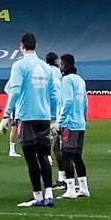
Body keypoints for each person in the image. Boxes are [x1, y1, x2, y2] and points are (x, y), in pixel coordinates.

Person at [5, 33, 60, 208]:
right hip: (44, 117)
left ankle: (37, 196)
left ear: (22, 46)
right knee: (44, 155)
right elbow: (53, 95)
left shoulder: (19, 66)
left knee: (31, 158)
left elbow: (14, 90)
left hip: (27, 116)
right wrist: (53, 118)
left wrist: (7, 114)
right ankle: (49, 194)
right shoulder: (46, 67)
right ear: (36, 45)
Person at [57, 53, 89, 199]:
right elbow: (85, 103)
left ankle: (70, 189)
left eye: (61, 64)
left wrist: (60, 121)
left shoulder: (67, 80)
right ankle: (83, 188)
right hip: (80, 123)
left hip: (70, 123)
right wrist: (83, 118)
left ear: (65, 65)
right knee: (77, 156)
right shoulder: (80, 80)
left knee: (66, 155)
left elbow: (68, 101)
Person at [45, 52, 65, 185]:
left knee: (44, 146)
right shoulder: (60, 75)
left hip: (45, 113)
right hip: (59, 113)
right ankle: (62, 177)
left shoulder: (44, 72)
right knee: (58, 147)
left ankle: (47, 181)